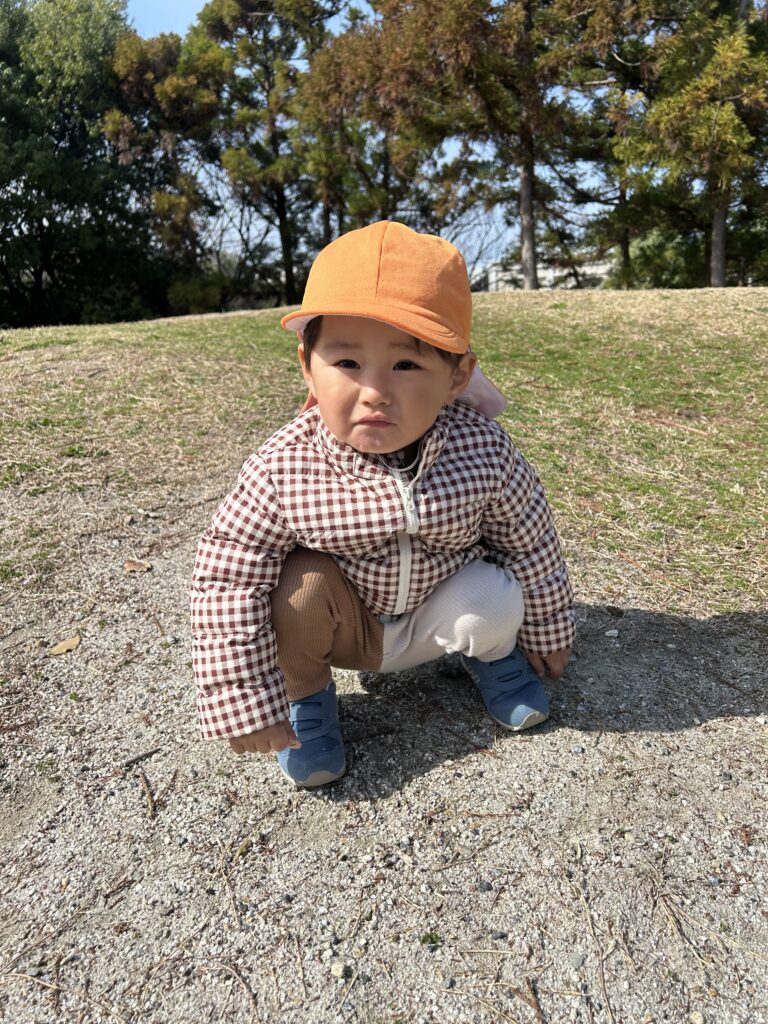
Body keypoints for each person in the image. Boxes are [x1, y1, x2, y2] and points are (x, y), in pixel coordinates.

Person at [191, 220, 574, 787]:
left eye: (406, 364)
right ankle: (306, 698)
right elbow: (228, 575)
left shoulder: (482, 449)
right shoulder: (285, 464)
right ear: (307, 366)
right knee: (296, 588)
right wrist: (241, 696)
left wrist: (547, 626)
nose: (375, 391)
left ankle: (495, 658)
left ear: (457, 376)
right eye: (347, 363)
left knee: (495, 594)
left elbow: (530, 540)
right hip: (347, 630)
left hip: (438, 611)